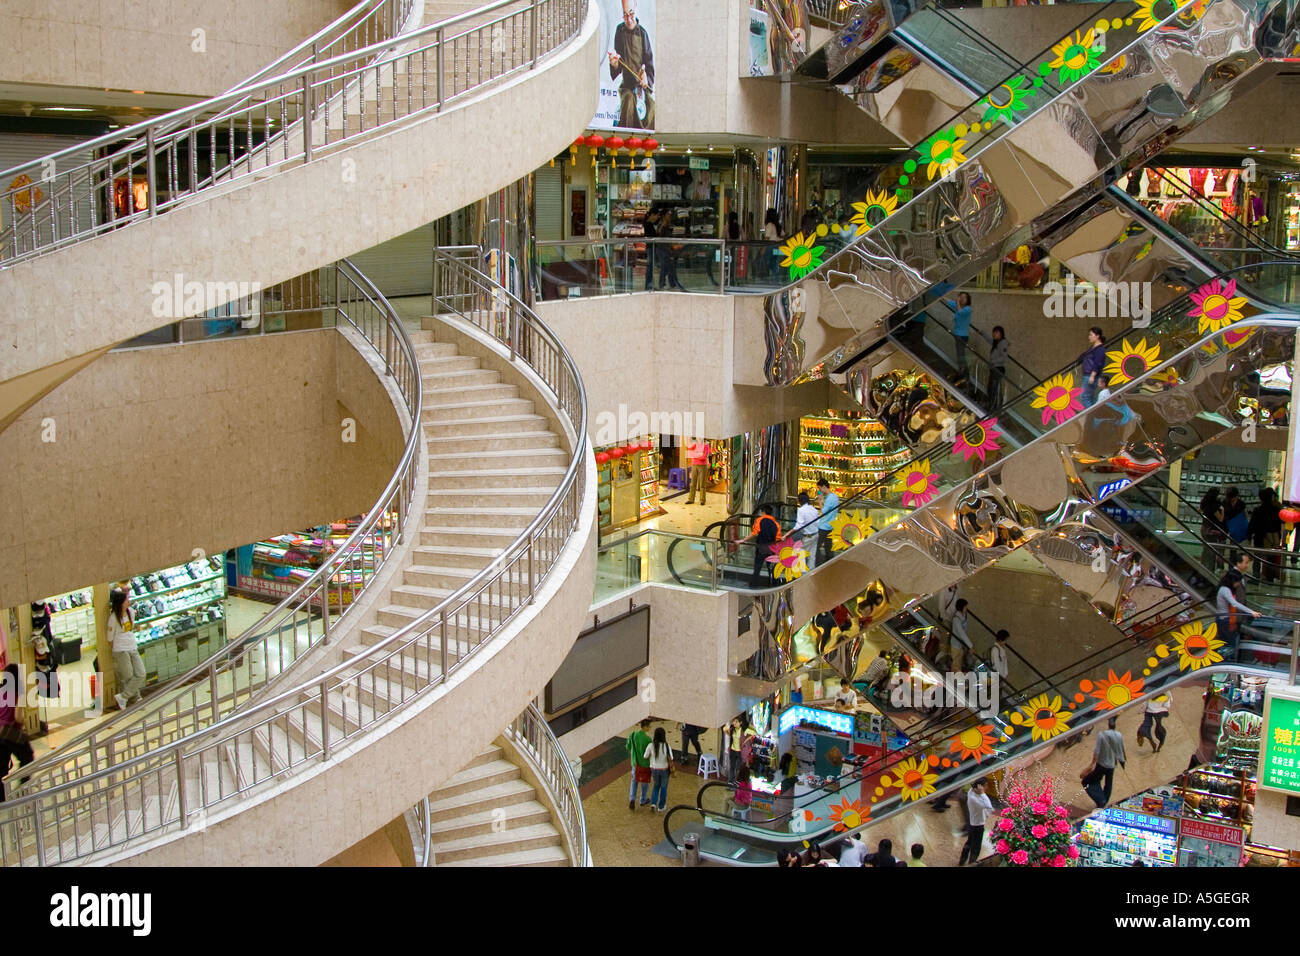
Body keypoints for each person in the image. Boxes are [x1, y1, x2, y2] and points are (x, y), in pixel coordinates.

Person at [608, 0, 655, 129]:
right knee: (628, 100)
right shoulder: (620, 31)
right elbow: (617, 66)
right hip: (627, 86)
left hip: (641, 87)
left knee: (652, 107)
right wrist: (614, 64)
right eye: (625, 15)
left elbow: (649, 65)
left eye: (631, 14)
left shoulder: (643, 34)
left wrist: (646, 79)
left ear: (636, 10)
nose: (628, 19)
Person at [0, 664, 34, 802]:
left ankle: (2, 799)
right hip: (9, 731)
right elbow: (18, 717)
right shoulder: (18, 692)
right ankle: (22, 788)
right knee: (28, 757)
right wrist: (24, 724)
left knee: (1, 766)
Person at [108, 586, 145, 710]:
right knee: (128, 676)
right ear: (120, 603)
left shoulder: (131, 612)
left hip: (132, 646)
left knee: (141, 673)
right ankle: (137, 699)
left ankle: (123, 697)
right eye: (126, 600)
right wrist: (115, 652)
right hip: (120, 650)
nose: (128, 601)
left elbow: (131, 628)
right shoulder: (113, 618)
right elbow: (110, 638)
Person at [1081, 717, 1127, 807]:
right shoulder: (1119, 735)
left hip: (1101, 764)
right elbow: (1121, 749)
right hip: (1112, 765)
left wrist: (1092, 763)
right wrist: (1122, 761)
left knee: (1087, 781)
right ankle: (1103, 802)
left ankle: (1101, 800)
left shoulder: (1102, 735)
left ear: (1108, 725)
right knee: (1108, 783)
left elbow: (1097, 751)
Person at [1216, 567, 1260, 659]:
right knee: (1229, 644)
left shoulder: (1224, 589)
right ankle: (1225, 663)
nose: (1238, 584)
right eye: (1238, 582)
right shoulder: (1225, 590)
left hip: (1224, 619)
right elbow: (1235, 603)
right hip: (1225, 620)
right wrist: (1251, 612)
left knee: (1227, 643)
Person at [739, 504, 781, 587]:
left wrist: (743, 540)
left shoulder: (759, 520)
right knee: (772, 569)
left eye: (761, 512)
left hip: (761, 548)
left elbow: (754, 533)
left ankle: (753, 585)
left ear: (763, 512)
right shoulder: (776, 523)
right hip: (772, 549)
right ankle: (774, 585)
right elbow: (778, 538)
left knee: (757, 568)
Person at [1248, 487, 1283, 584]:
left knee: (1257, 558)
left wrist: (1249, 535)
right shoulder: (1276, 510)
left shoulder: (1258, 510)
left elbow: (1253, 524)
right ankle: (1269, 578)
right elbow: (1278, 524)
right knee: (1270, 558)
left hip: (1260, 536)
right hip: (1272, 537)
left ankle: (1256, 577)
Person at [960, 778, 993, 865]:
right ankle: (972, 863)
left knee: (969, 842)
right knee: (976, 847)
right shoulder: (973, 799)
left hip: (972, 824)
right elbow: (988, 806)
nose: (986, 788)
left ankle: (962, 860)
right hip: (978, 826)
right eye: (985, 786)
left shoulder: (971, 791)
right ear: (979, 787)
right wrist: (982, 793)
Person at [943, 291, 973, 382]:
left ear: (968, 300)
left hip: (962, 336)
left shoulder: (968, 309)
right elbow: (951, 302)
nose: (962, 299)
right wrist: (942, 297)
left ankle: (963, 373)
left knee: (961, 355)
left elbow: (960, 312)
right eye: (961, 297)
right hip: (958, 335)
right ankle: (963, 372)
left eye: (964, 298)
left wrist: (958, 302)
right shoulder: (959, 306)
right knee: (960, 354)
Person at [626, 718, 653, 809]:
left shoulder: (632, 735)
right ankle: (643, 800)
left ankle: (632, 799)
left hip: (635, 763)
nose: (649, 728)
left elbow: (628, 747)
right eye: (649, 726)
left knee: (634, 781)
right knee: (645, 782)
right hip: (645, 764)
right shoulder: (648, 739)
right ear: (645, 727)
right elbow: (651, 753)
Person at [645, 726, 674, 812]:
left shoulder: (651, 745)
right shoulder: (667, 746)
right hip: (664, 770)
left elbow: (645, 756)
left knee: (656, 786)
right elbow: (671, 757)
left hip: (654, 769)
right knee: (664, 788)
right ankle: (661, 807)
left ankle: (653, 804)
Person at [1200, 488, 1227, 571]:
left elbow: (1200, 510)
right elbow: (1220, 518)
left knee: (1206, 549)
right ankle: (1210, 570)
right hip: (1212, 531)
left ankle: (1204, 568)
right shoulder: (1214, 506)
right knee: (1211, 551)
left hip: (1204, 528)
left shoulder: (1205, 503)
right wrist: (1222, 510)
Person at [816, 477, 840, 566]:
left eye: (819, 488)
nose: (820, 490)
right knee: (828, 548)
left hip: (823, 526)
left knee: (816, 546)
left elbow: (824, 511)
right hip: (830, 525)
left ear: (824, 486)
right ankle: (829, 565)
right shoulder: (835, 497)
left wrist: (820, 501)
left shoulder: (830, 498)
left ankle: (818, 565)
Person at [1081, 326, 1106, 407]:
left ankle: (1093, 418)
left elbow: (1098, 363)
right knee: (1090, 398)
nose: (1089, 337)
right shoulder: (1093, 348)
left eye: (1091, 335)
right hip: (1088, 375)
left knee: (1085, 398)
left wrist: (1092, 375)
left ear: (1097, 336)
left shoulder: (1100, 349)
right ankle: (1094, 418)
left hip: (1091, 375)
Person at [794, 490, 820, 564]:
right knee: (812, 555)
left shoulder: (801, 510)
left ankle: (803, 573)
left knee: (800, 553)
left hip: (807, 536)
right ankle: (811, 572)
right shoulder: (814, 509)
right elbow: (818, 522)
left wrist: (788, 533)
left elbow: (799, 525)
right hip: (815, 534)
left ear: (800, 500)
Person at [685, 437, 711, 505]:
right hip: (694, 465)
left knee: (702, 484)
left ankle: (702, 500)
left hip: (703, 466)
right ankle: (691, 499)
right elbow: (690, 451)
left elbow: (704, 456)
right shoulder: (695, 444)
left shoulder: (706, 445)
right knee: (693, 483)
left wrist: (696, 455)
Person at [987, 325, 1009, 408]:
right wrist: (982, 333)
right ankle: (993, 405)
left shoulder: (1003, 343)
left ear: (1001, 333)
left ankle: (994, 406)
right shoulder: (997, 343)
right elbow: (990, 340)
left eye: (996, 332)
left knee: (993, 389)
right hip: (994, 368)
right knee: (992, 388)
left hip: (998, 369)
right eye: (994, 332)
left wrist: (993, 361)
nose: (994, 334)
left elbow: (1004, 357)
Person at [950, 599, 972, 672]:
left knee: (958, 664)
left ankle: (957, 680)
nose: (966, 608)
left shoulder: (963, 616)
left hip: (960, 645)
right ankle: (953, 681)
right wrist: (970, 646)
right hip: (955, 645)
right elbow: (961, 633)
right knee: (956, 665)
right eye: (965, 607)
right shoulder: (956, 619)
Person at [641, 207, 659, 289]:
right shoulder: (648, 224)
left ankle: (649, 285)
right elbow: (652, 236)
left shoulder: (649, 224)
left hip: (651, 247)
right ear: (652, 215)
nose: (657, 217)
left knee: (650, 267)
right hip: (650, 248)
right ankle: (648, 285)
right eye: (656, 215)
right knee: (650, 267)